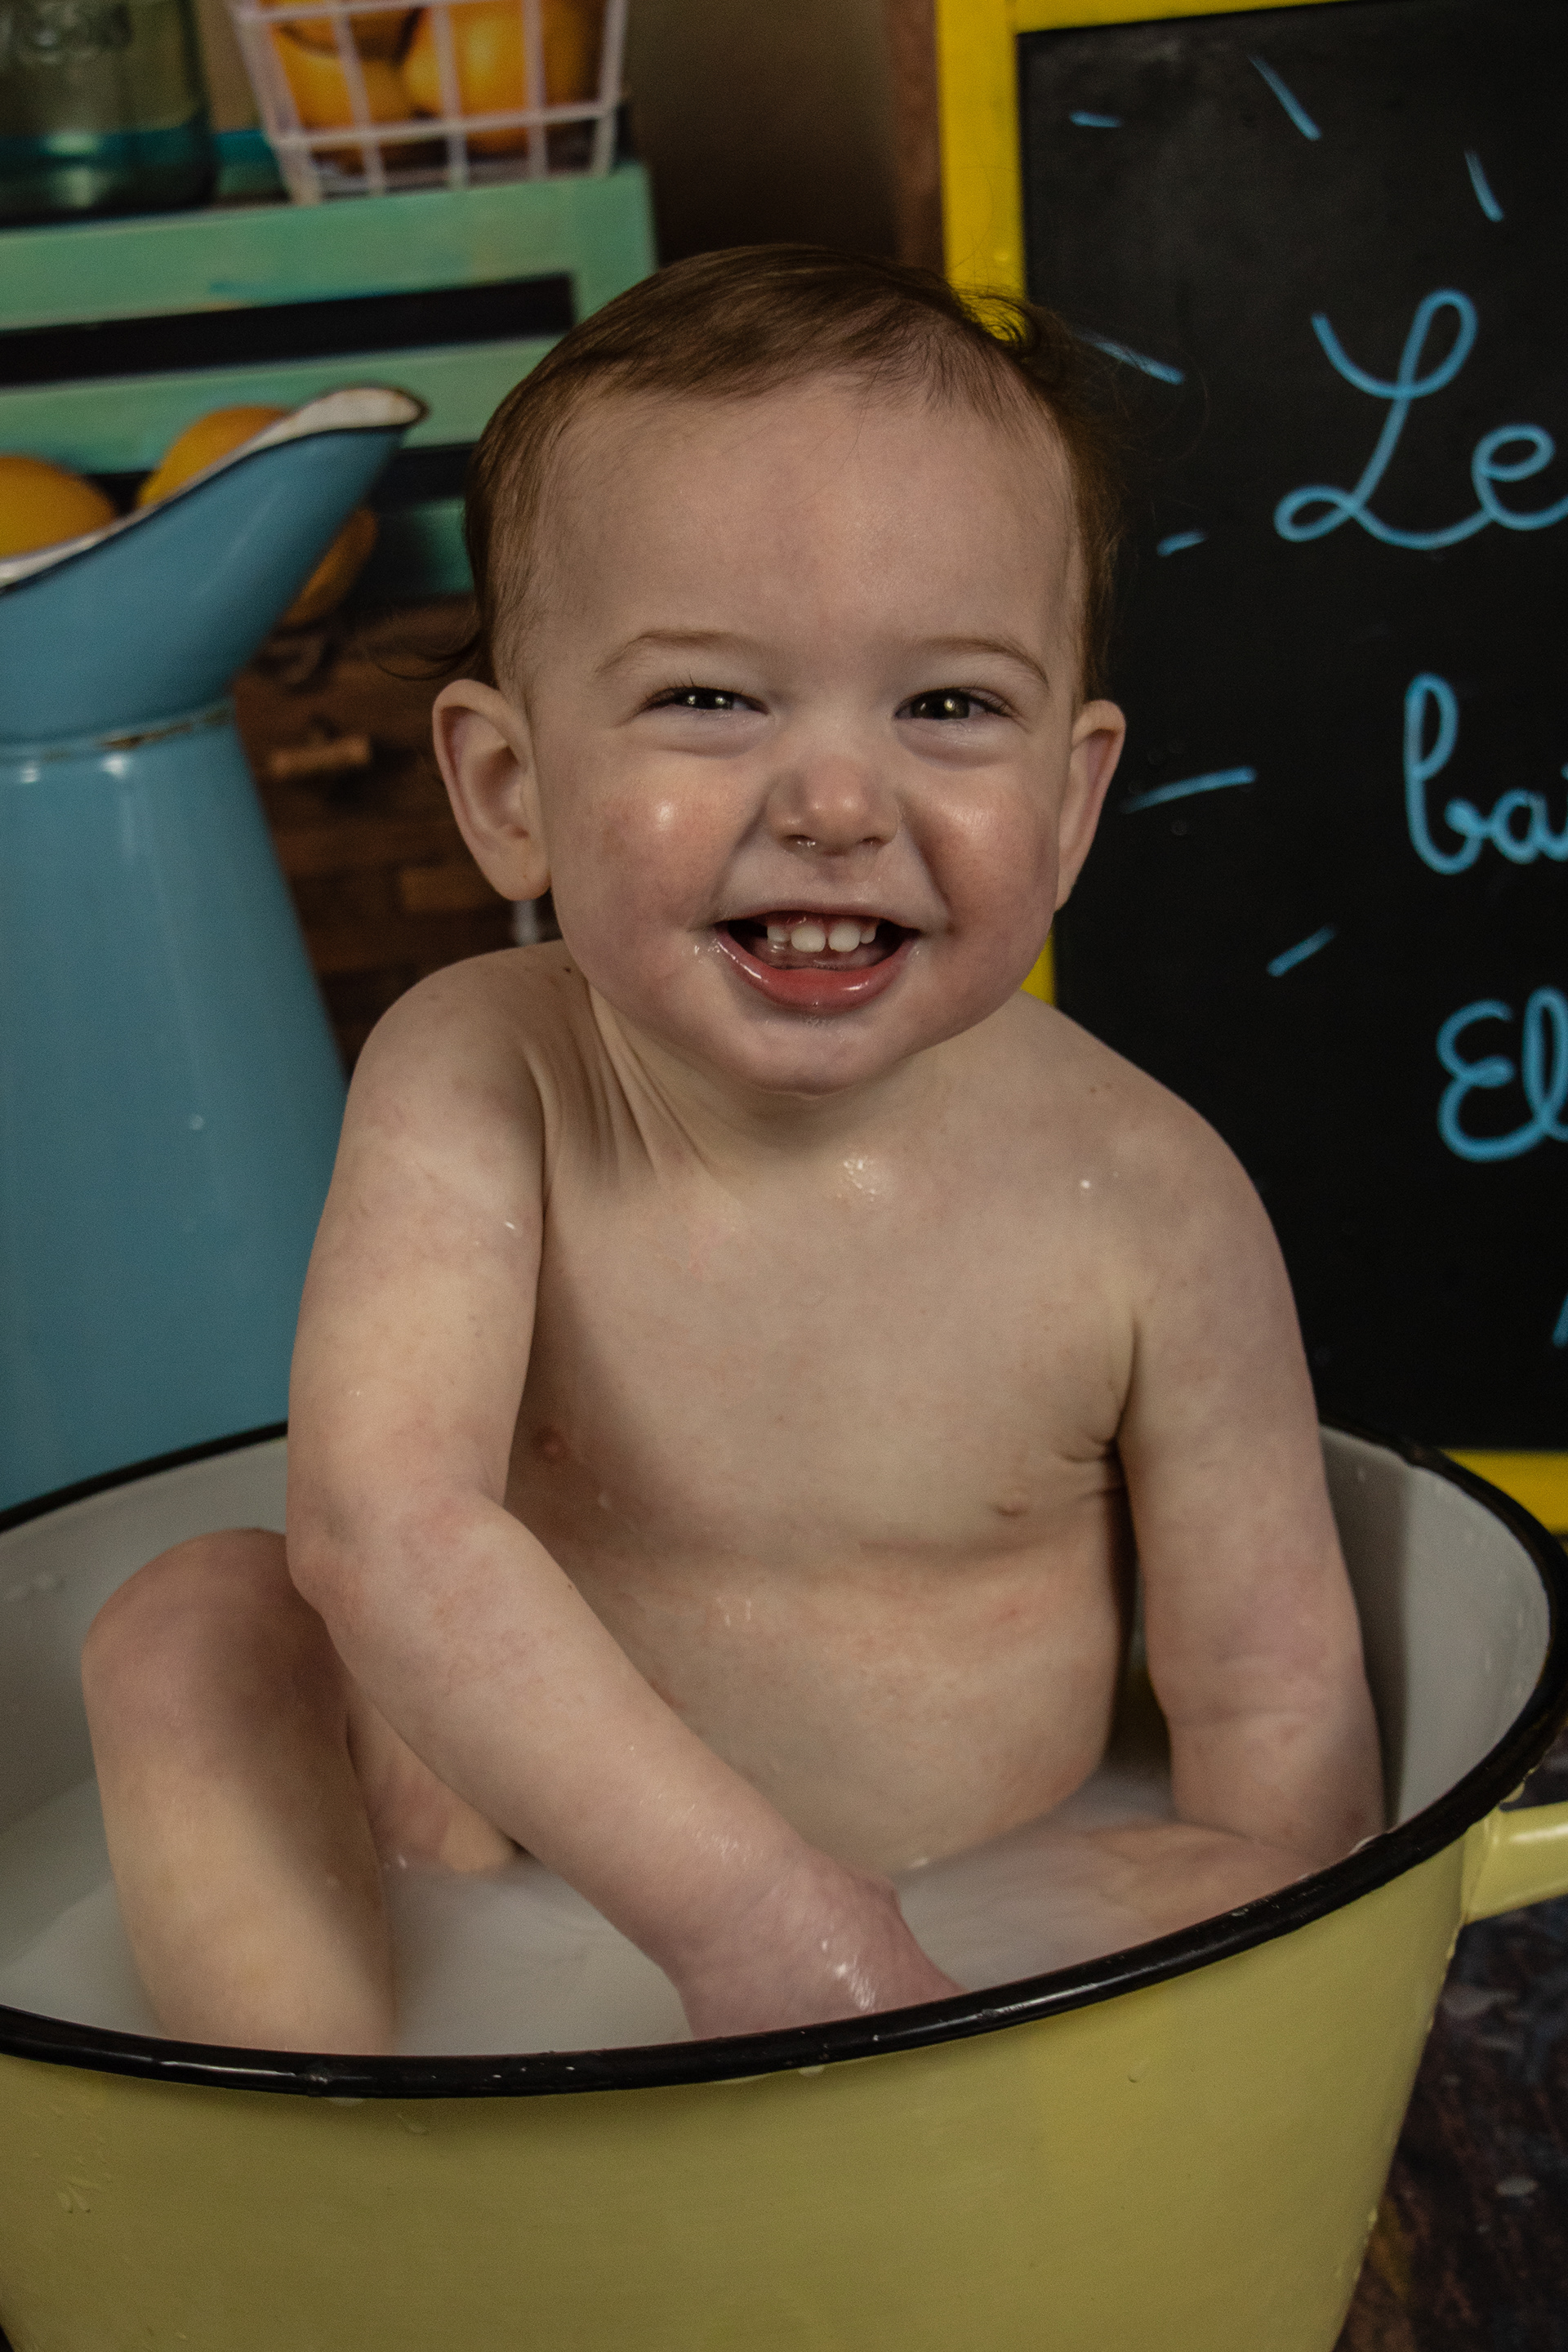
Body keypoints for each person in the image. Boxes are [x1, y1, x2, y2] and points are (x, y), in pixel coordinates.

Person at [82, 247, 1382, 2056]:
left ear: (1073, 803)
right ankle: (318, 2123)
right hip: (477, 1866)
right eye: (710, 700)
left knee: (1262, 1885)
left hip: (973, 1934)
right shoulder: (482, 1078)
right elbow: (383, 1529)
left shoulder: (1149, 1197)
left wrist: (1227, 1970)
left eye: (949, 707)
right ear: (510, 793)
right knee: (186, 1628)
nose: (838, 805)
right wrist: (753, 1913)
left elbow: (1276, 1710)